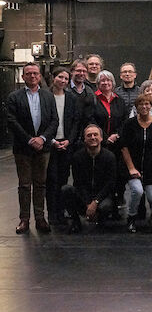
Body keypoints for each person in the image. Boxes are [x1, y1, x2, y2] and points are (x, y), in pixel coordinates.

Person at [7, 62, 59, 234]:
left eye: (35, 73)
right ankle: (24, 219)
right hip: (23, 148)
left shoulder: (48, 96)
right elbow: (12, 121)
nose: (32, 76)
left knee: (40, 184)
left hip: (43, 148)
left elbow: (54, 120)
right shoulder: (14, 97)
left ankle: (39, 218)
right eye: (28, 73)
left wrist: (42, 138)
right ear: (23, 77)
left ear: (40, 76)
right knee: (24, 185)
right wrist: (30, 140)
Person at [121, 94, 152, 232]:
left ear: (151, 106)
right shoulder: (129, 124)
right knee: (137, 191)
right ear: (136, 107)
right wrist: (131, 168)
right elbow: (124, 147)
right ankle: (131, 217)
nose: (144, 107)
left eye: (147, 104)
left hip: (150, 167)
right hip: (132, 166)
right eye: (141, 104)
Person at [63, 124, 117, 233]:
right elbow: (78, 183)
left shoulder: (110, 157)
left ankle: (101, 219)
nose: (92, 137)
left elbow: (110, 184)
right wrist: (88, 203)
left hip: (102, 198)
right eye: (89, 135)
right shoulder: (77, 157)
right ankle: (75, 222)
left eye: (95, 135)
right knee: (66, 189)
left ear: (101, 138)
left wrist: (95, 202)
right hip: (84, 198)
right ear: (84, 139)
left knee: (106, 206)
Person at [46, 67, 79, 226]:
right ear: (53, 78)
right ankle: (52, 213)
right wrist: (52, 140)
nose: (63, 81)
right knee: (51, 180)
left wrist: (69, 141)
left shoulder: (71, 98)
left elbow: (75, 122)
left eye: (66, 79)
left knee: (63, 180)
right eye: (60, 77)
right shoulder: (45, 96)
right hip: (50, 144)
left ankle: (61, 211)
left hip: (66, 145)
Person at [93, 70, 128, 214]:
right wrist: (104, 136)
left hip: (117, 143)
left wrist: (116, 135)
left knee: (118, 172)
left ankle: (118, 198)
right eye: (102, 81)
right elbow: (91, 119)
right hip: (100, 143)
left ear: (113, 83)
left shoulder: (119, 100)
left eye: (108, 81)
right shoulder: (93, 99)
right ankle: (103, 201)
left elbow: (125, 120)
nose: (105, 83)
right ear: (98, 84)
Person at [68, 60, 96, 143]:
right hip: (68, 134)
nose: (81, 73)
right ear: (72, 72)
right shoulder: (65, 89)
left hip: (84, 136)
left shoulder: (90, 91)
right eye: (78, 70)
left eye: (84, 71)